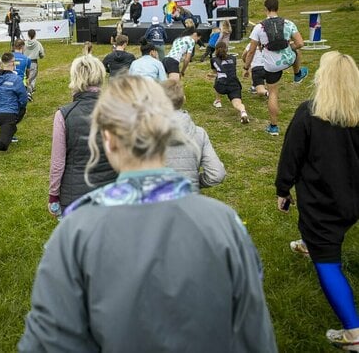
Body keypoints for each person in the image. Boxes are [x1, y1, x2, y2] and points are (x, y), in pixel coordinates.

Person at [19, 75, 277, 352]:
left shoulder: (74, 232)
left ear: (108, 139)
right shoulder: (226, 224)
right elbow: (255, 338)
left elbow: (48, 342)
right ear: (166, 131)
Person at [274, 51, 359, 351]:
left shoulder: (308, 112)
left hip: (322, 201)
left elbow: (291, 157)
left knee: (328, 261)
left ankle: (353, 333)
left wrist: (282, 191)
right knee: (322, 237)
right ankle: (308, 243)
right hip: (351, 199)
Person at [48, 54, 116, 219]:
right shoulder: (116, 111)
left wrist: (53, 195)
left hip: (74, 199)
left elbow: (58, 162)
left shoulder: (63, 115)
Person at [243, 0, 307, 136]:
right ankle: (297, 74)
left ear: (265, 9)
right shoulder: (288, 23)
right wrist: (291, 46)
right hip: (288, 59)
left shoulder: (259, 27)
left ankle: (273, 127)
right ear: (277, 8)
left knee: (273, 94)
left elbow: (252, 50)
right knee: (297, 50)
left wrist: (246, 67)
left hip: (272, 65)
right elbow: (300, 43)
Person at [161, 79, 226, 192]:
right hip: (190, 198)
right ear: (184, 99)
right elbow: (217, 174)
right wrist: (193, 181)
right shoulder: (199, 133)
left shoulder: (143, 133)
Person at [0, 52, 28, 151]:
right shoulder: (16, 79)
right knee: (3, 144)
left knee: (12, 127)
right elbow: (23, 99)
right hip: (8, 116)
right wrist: (21, 108)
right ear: (13, 63)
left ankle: (11, 131)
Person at [212, 42, 250, 123]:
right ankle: (243, 111)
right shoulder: (233, 58)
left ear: (216, 50)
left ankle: (218, 101)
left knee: (218, 77)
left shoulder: (213, 60)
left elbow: (215, 72)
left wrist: (210, 75)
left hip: (221, 86)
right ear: (227, 49)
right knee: (237, 103)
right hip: (234, 84)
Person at [24, 29, 45, 94]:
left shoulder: (24, 43)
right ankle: (30, 90)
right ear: (35, 35)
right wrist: (41, 56)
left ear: (28, 35)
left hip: (25, 62)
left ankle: (25, 88)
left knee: (26, 76)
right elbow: (41, 53)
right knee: (33, 77)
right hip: (33, 62)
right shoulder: (38, 43)